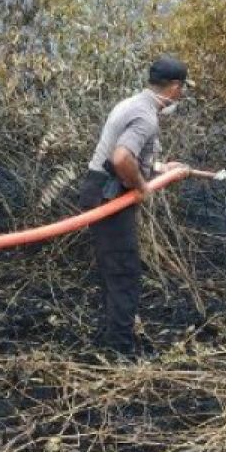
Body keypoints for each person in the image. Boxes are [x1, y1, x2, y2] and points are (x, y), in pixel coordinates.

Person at [79, 56, 191, 358]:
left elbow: (133, 159)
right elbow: (121, 159)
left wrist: (161, 169)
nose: (181, 96)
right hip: (109, 195)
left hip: (102, 188)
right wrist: (142, 187)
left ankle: (111, 338)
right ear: (174, 87)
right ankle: (121, 351)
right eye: (182, 89)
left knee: (113, 270)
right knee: (124, 272)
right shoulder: (145, 116)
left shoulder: (132, 103)